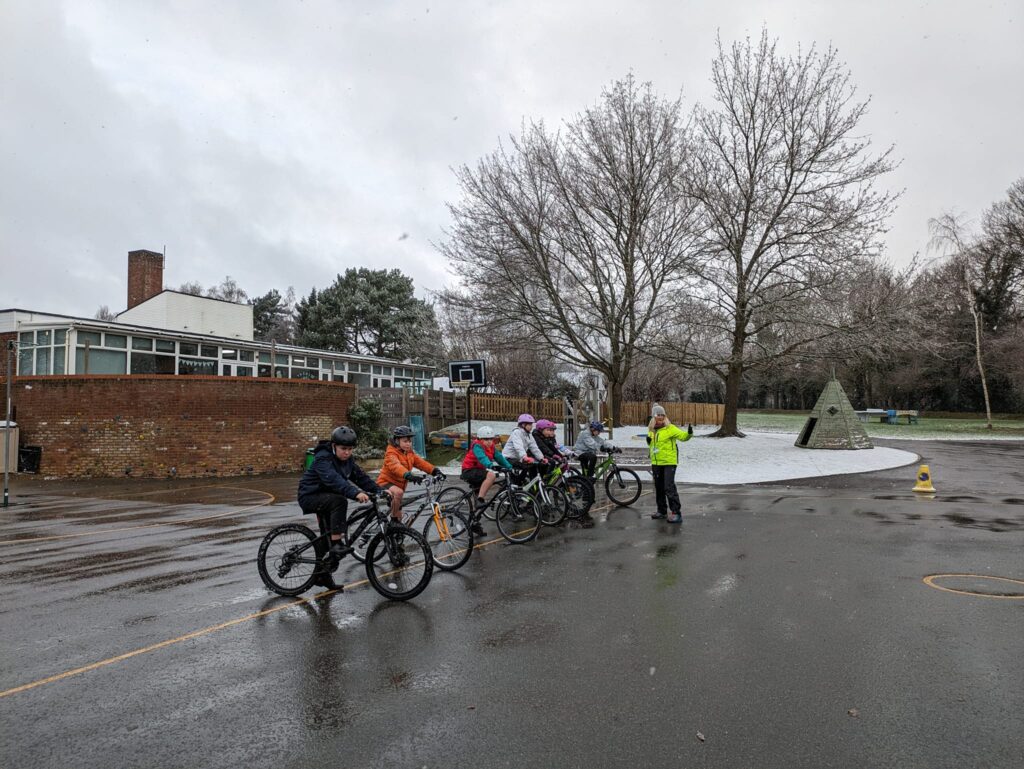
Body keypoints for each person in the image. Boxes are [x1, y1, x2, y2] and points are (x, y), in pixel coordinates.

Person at [297, 425, 380, 588]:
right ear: (334, 446)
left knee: (325, 537)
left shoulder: (347, 461)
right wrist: (355, 493)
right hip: (310, 496)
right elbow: (333, 480)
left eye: (350, 449)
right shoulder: (323, 458)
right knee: (340, 501)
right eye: (343, 449)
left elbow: (361, 477)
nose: (347, 452)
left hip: (327, 498)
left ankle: (322, 575)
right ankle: (336, 544)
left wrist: (380, 490)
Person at [376, 425, 444, 522]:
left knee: (400, 516)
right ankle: (393, 520)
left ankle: (394, 531)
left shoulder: (409, 453)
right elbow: (395, 466)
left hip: (399, 486)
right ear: (397, 441)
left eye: (409, 441)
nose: (408, 444)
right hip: (385, 483)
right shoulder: (391, 453)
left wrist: (434, 470)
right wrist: (408, 475)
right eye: (405, 441)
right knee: (398, 494)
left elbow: (421, 463)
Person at [536, 418, 595, 528]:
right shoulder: (537, 438)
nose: (552, 433)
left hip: (547, 458)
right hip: (538, 459)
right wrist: (554, 456)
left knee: (554, 471)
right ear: (542, 430)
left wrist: (565, 454)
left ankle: (548, 489)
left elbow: (557, 447)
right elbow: (544, 449)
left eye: (553, 431)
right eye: (550, 430)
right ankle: (538, 496)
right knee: (542, 476)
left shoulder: (550, 438)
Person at [460, 425, 513, 536]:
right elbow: (481, 458)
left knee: (479, 499)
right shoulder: (477, 446)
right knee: (491, 475)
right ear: (480, 439)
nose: (489, 442)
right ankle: (480, 499)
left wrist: (509, 467)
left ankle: (475, 523)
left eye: (490, 439)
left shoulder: (492, 447)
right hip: (469, 471)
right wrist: (490, 465)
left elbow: (499, 457)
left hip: (479, 471)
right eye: (486, 439)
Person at [646, 405, 692, 523]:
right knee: (659, 487)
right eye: (658, 415)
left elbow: (683, 437)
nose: (660, 417)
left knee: (669, 487)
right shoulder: (651, 430)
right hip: (656, 462)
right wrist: (649, 442)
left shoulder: (670, 428)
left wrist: (689, 433)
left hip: (669, 462)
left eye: (662, 415)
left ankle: (676, 513)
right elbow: (653, 445)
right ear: (653, 417)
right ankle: (661, 511)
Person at [501, 413, 546, 479]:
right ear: (523, 425)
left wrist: (541, 458)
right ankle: (517, 484)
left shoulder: (529, 435)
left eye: (532, 424)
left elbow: (534, 448)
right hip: (508, 458)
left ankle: (531, 484)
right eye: (530, 424)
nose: (531, 427)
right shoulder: (517, 432)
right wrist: (524, 457)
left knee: (534, 466)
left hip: (518, 458)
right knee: (524, 467)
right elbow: (518, 447)